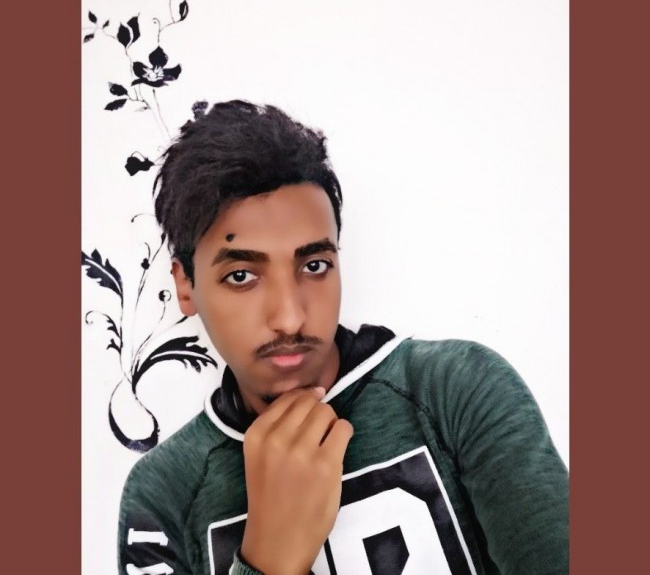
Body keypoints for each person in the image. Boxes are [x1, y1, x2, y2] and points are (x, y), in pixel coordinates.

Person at [118, 100, 568, 575]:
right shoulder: (163, 495)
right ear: (186, 285)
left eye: (314, 266)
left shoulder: (457, 389)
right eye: (242, 275)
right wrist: (269, 559)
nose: (290, 318)